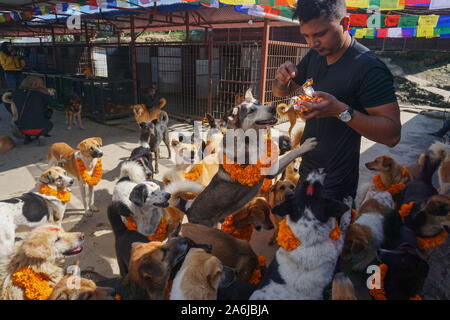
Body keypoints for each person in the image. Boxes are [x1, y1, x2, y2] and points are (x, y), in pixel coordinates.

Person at [273, 0, 401, 202]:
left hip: (335, 180)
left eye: (320, 34)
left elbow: (392, 135)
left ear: (346, 23)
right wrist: (281, 79)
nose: (312, 43)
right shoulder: (316, 55)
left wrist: (341, 111)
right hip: (307, 166)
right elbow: (282, 93)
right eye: (306, 35)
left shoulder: (368, 68)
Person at [12, 76, 55, 145]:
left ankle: (27, 137)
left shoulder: (15, 93)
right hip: (39, 128)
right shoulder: (41, 94)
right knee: (50, 124)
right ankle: (41, 135)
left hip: (22, 128)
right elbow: (53, 104)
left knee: (26, 117)